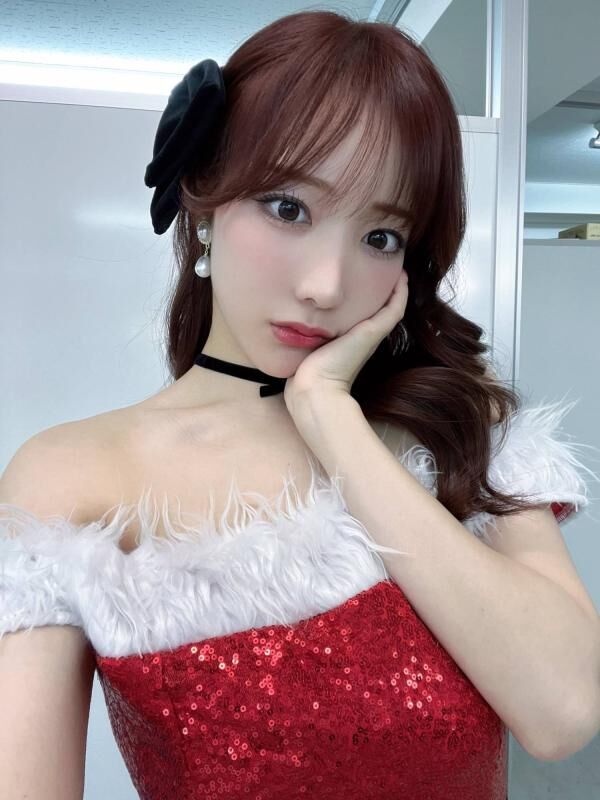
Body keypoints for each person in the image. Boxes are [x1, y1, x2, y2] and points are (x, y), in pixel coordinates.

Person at [1, 10, 599, 800]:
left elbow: (562, 713)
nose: (326, 285)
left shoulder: (462, 429)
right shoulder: (72, 477)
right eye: (289, 208)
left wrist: (331, 420)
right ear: (205, 203)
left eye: (381, 237)